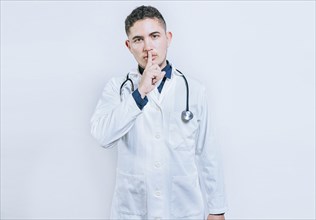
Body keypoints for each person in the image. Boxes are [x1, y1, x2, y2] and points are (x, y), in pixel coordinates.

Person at [90, 5, 228, 220]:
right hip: (134, 211)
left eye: (154, 36)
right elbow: (102, 136)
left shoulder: (194, 90)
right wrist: (141, 92)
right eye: (138, 39)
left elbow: (208, 152)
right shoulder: (118, 88)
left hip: (184, 210)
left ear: (168, 38)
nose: (148, 47)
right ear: (129, 46)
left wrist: (217, 209)